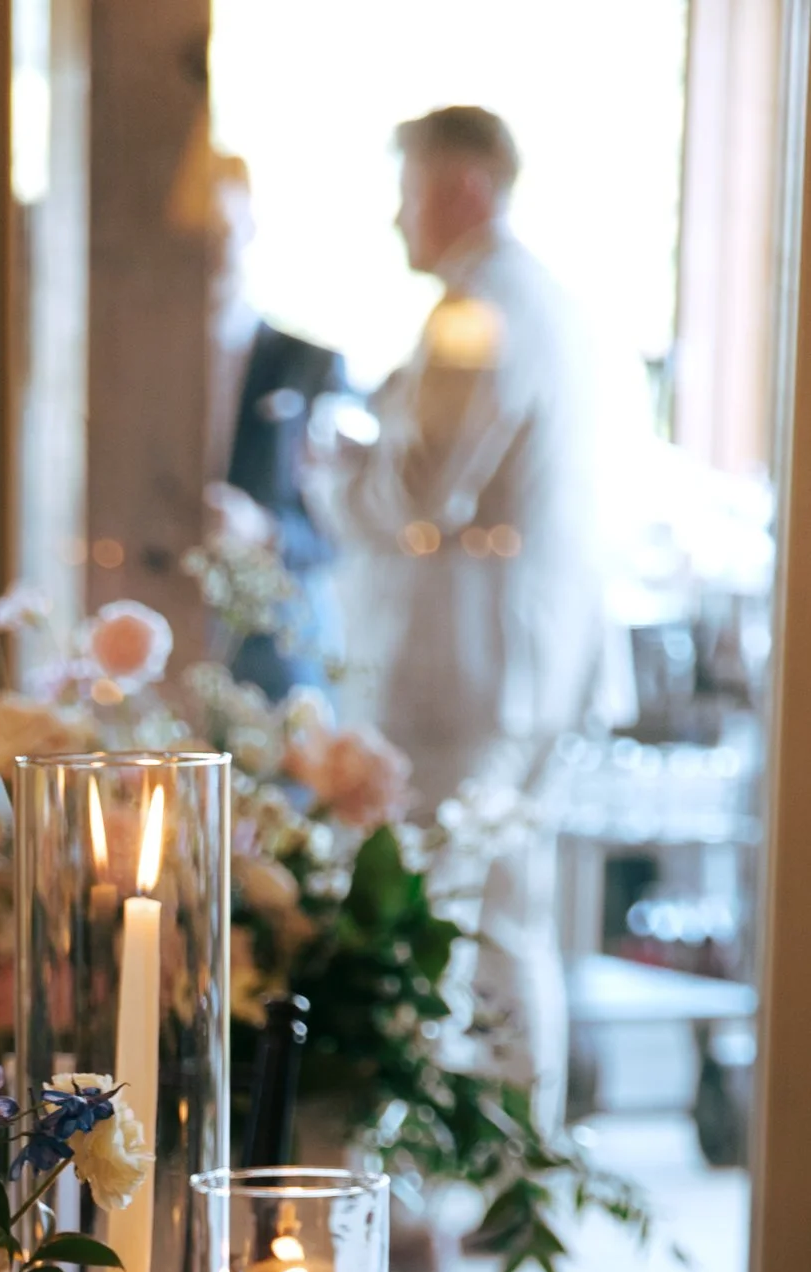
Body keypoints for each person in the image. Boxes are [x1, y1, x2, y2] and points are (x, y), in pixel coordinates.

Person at [321, 104, 603, 1125]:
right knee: (505, 907)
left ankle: (445, 1167)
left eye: (406, 193)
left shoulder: (474, 308)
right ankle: (509, 1155)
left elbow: (417, 488)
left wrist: (335, 468)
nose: (397, 220)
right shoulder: (546, 298)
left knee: (438, 905)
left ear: (461, 189)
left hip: (465, 659)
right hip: (528, 650)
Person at [207, 155, 345, 698]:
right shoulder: (131, 372)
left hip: (273, 650)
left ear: (249, 227)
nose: (208, 248)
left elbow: (341, 531)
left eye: (220, 229)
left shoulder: (307, 365)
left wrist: (259, 530)